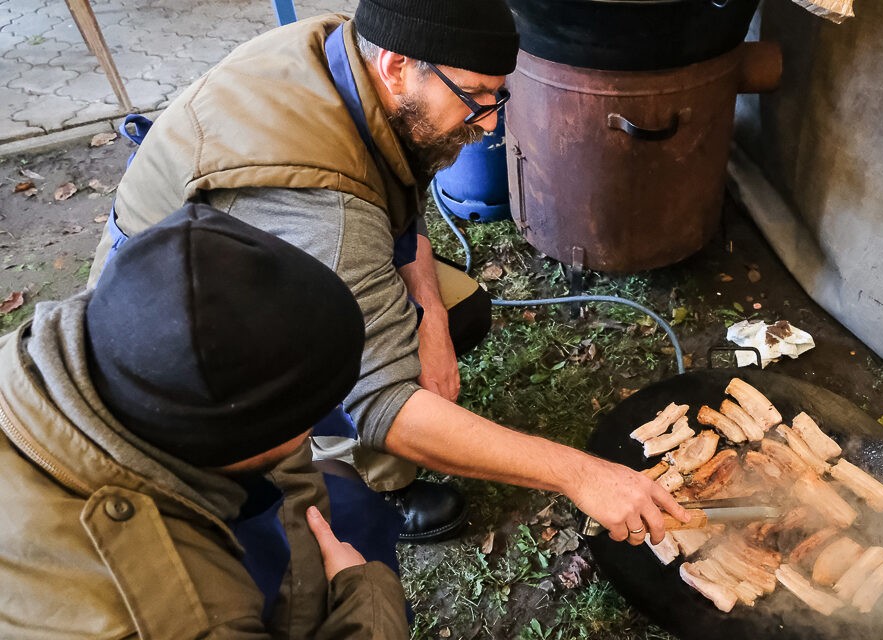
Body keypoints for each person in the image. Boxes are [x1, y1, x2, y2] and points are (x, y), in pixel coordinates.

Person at [89, 0, 686, 557]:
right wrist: (582, 475)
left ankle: (373, 410)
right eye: (475, 98)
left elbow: (398, 194)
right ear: (399, 67)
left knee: (458, 310)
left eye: (495, 99)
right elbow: (387, 403)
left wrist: (427, 316)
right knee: (363, 396)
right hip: (173, 343)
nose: (485, 126)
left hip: (246, 267)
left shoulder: (345, 59)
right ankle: (368, 483)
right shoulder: (326, 211)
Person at [0, 203, 410, 638]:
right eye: (310, 415)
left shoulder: (89, 348)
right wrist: (365, 599)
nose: (317, 425)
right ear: (232, 443)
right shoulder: (184, 618)